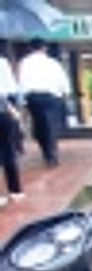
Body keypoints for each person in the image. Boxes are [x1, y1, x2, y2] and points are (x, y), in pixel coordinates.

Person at [18, 38, 69, 167]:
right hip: (52, 97)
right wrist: (65, 94)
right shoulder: (53, 63)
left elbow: (22, 82)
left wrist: (22, 100)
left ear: (30, 48)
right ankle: (52, 152)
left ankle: (47, 152)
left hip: (33, 98)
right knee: (52, 124)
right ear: (44, 48)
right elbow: (62, 79)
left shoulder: (24, 63)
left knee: (39, 125)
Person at [0, 54, 22, 203]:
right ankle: (15, 191)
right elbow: (10, 89)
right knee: (8, 150)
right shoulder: (2, 62)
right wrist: (12, 108)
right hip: (2, 112)